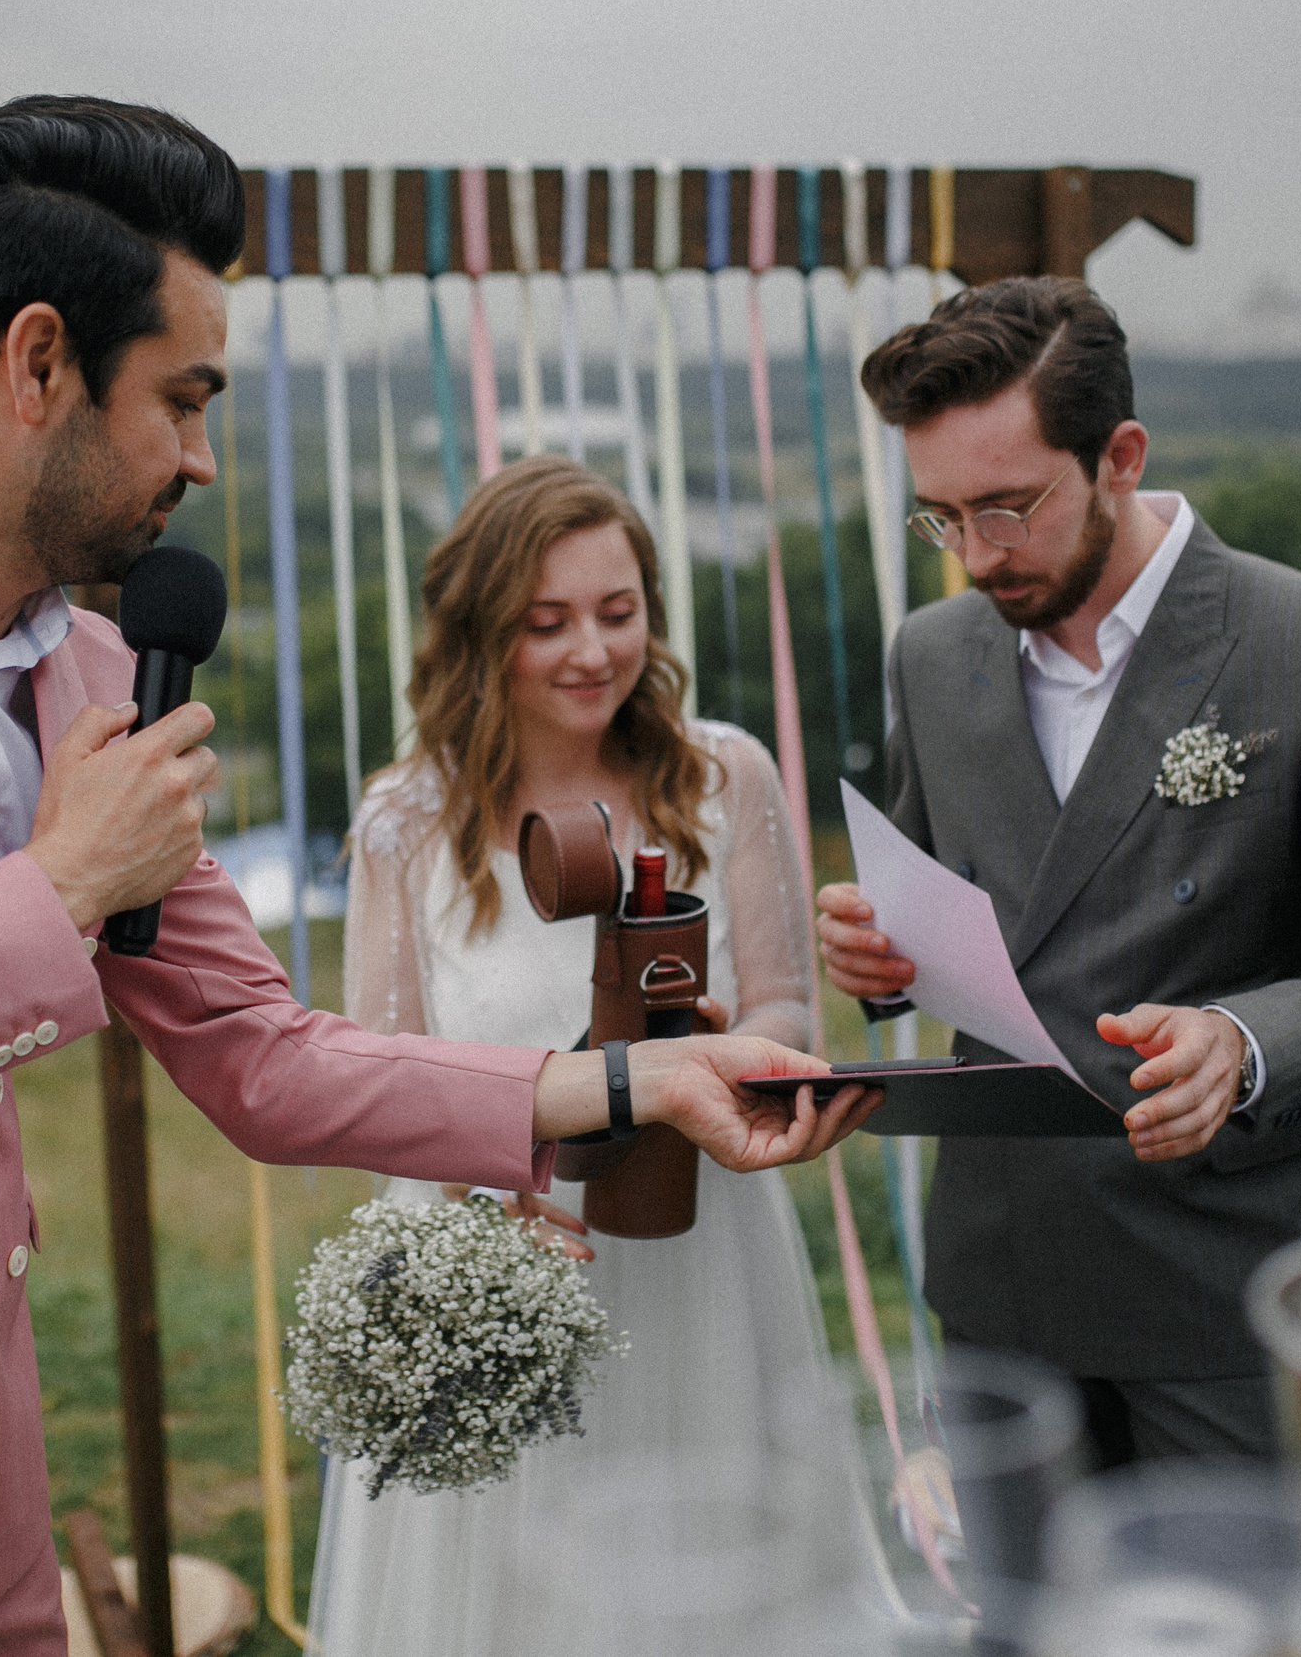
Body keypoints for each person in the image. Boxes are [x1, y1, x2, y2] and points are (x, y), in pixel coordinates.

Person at [0, 99, 868, 1657]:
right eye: (183, 399)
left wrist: (639, 1077)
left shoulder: (102, 667)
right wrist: (55, 886)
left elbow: (264, 1056)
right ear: (39, 362)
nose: (201, 456)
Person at [817, 277, 1301, 1466]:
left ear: (1119, 457)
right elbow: (942, 909)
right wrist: (875, 960)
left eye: (1006, 509)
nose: (974, 558)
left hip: (1222, 1278)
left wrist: (1245, 1042)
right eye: (940, 518)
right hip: (999, 1281)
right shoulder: (932, 654)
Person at [306, 457, 881, 1656]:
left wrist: (735, 1056)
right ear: (481, 636)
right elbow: (376, 1079)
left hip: (698, 1249)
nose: (591, 652)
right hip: (500, 1258)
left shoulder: (725, 777)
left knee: (712, 1570)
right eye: (546, 622)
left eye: (618, 614)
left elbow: (785, 1004)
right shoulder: (408, 821)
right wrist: (478, 1195)